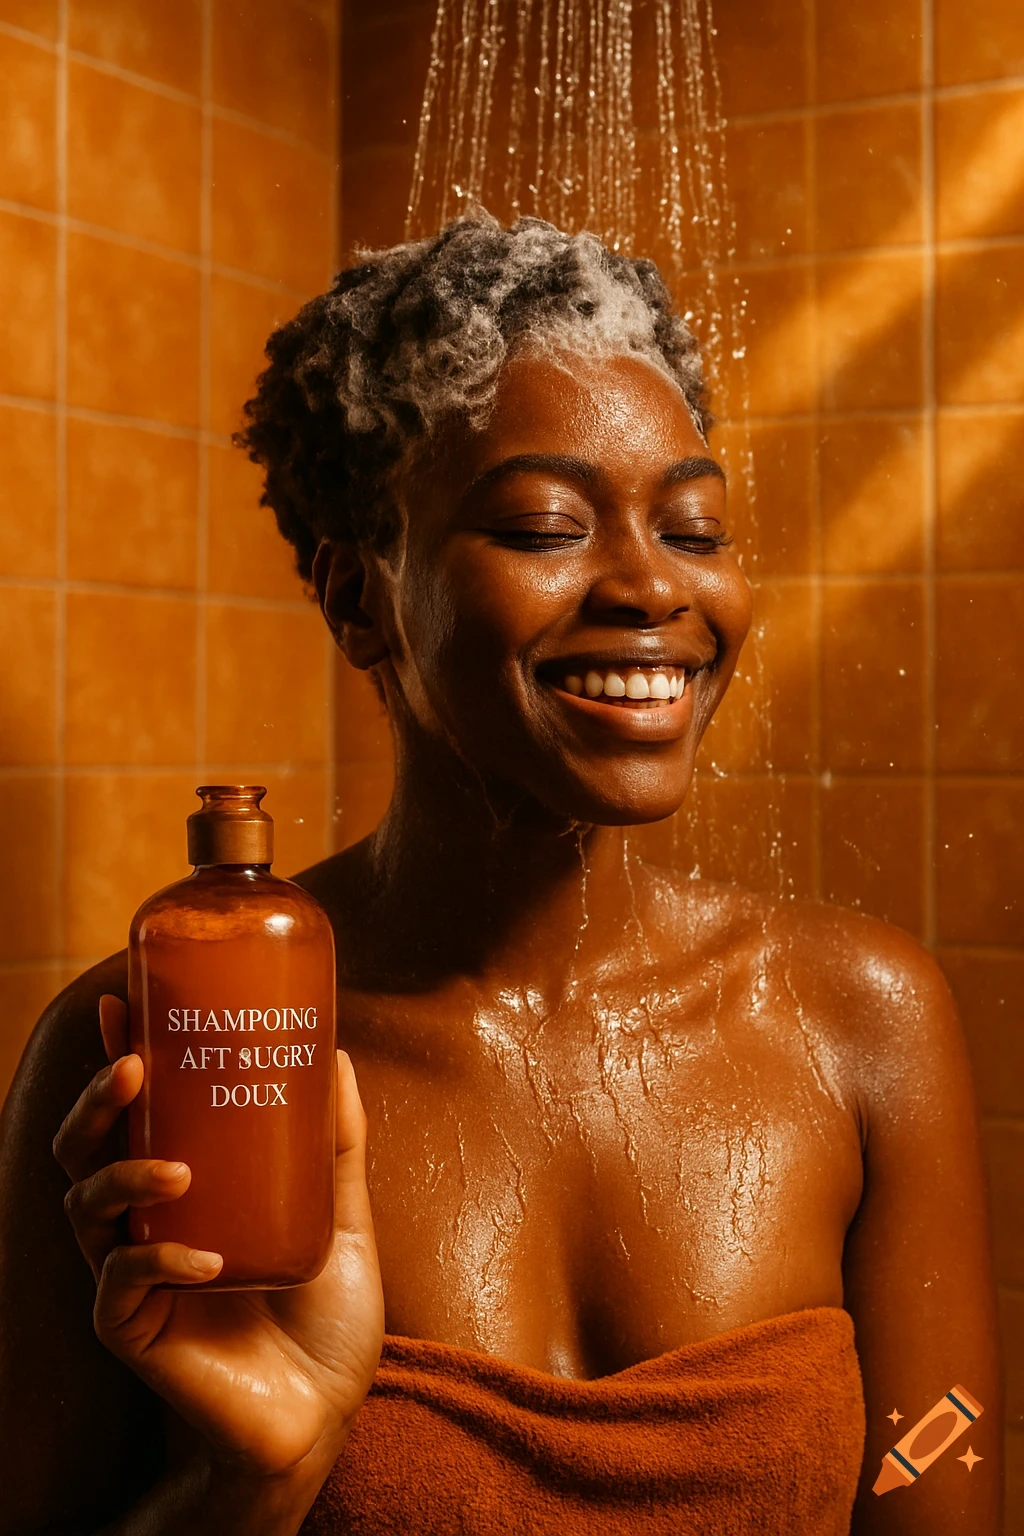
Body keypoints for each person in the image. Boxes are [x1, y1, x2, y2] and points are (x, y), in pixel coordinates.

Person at [0, 215, 1002, 1535]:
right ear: (362, 599)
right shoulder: (165, 1043)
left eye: (695, 530)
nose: (651, 586)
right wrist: (260, 1475)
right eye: (545, 527)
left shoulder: (861, 1021)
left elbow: (945, 1480)